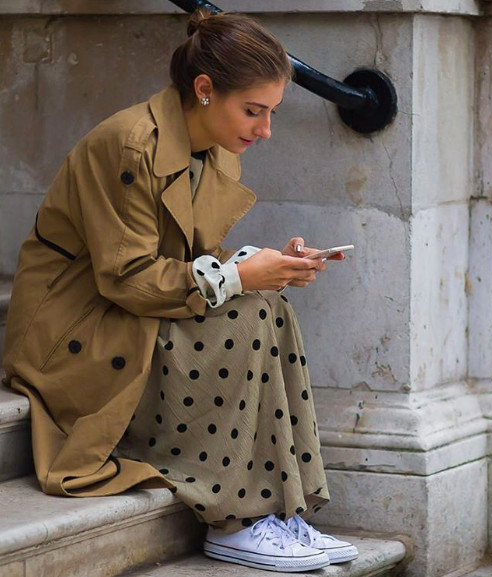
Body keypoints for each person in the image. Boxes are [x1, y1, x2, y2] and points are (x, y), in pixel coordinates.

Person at [2, 9, 358, 573]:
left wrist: (268, 267)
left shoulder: (214, 151)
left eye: (271, 113)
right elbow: (129, 278)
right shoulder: (128, 144)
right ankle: (235, 519)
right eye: (254, 111)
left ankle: (278, 511)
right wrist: (240, 275)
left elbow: (185, 266)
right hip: (75, 333)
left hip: (126, 311)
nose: (264, 130)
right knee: (247, 312)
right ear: (204, 90)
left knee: (269, 305)